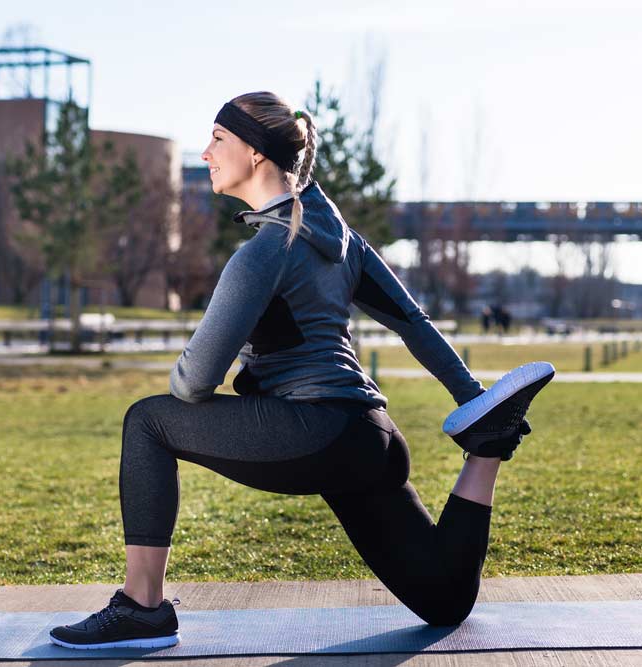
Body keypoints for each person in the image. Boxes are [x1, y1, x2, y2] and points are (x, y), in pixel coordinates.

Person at [49, 92, 547, 650]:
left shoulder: (265, 251)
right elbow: (412, 320)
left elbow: (193, 383)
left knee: (147, 422)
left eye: (217, 139)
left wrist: (207, 359)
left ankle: (143, 608)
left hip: (313, 432)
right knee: (443, 599)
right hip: (369, 437)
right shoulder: (342, 239)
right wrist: (472, 398)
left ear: (255, 153)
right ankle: (485, 447)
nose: (206, 152)